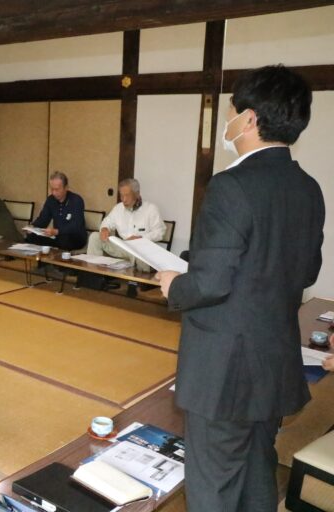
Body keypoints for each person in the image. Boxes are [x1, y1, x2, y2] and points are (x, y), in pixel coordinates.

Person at [157, 65, 324, 512]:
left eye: (230, 111)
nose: (228, 121)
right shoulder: (308, 188)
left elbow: (210, 283)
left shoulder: (231, 185)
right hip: (274, 361)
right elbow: (305, 272)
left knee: (213, 482)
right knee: (257, 470)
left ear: (249, 119)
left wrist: (175, 284)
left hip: (224, 371)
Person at [87, 178, 165, 272]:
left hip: (140, 248)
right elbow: (107, 222)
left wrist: (141, 238)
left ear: (137, 194)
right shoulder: (118, 208)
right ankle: (94, 274)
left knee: (141, 255)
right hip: (122, 246)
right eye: (121, 195)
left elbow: (160, 232)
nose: (124, 199)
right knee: (95, 237)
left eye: (127, 195)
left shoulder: (151, 209)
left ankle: (139, 284)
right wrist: (104, 229)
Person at [25, 171, 87, 251]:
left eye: (57, 189)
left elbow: (76, 225)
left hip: (75, 237)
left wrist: (57, 231)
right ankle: (42, 262)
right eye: (52, 189)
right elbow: (43, 219)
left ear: (66, 187)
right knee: (31, 236)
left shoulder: (76, 200)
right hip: (56, 235)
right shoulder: (51, 200)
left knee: (64, 240)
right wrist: (32, 227)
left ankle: (57, 262)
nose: (54, 193)